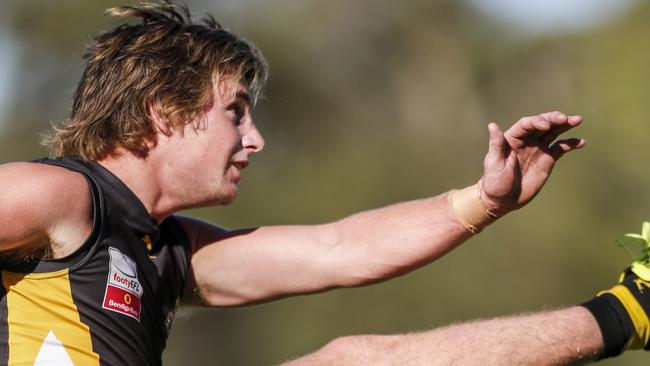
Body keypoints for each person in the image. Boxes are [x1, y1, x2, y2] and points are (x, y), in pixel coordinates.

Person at [0, 2, 646, 365]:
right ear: (162, 114)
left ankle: (633, 310)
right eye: (235, 112)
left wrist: (484, 202)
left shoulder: (164, 247)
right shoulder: (59, 196)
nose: (254, 140)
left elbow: (339, 250)